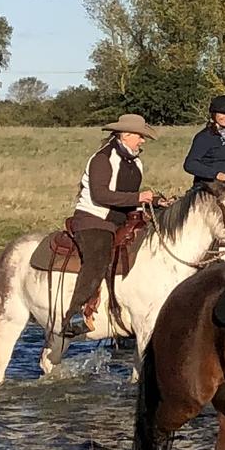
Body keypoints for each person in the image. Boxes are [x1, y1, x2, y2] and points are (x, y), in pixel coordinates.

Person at [61, 114, 164, 337]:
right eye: (140, 136)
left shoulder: (136, 162)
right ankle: (75, 314)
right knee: (98, 256)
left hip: (121, 221)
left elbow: (128, 196)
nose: (143, 141)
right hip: (94, 219)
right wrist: (138, 198)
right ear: (125, 135)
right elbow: (101, 194)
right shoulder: (102, 159)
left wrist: (155, 202)